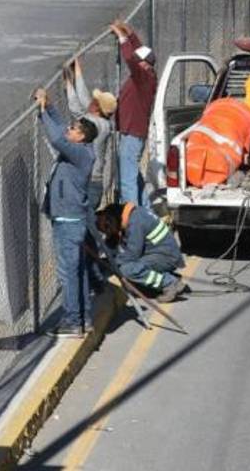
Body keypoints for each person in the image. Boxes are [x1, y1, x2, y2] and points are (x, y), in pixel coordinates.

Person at [35, 87, 99, 338]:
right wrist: (49, 106)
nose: (69, 130)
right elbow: (61, 130)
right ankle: (83, 317)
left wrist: (42, 111)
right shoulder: (77, 148)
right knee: (77, 271)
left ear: (81, 137)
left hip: (68, 222)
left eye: (74, 129)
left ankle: (72, 321)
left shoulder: (79, 153)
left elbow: (57, 138)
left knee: (67, 273)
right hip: (70, 220)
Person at [63, 58, 117, 250]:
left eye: (96, 101)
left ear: (98, 108)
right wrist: (77, 70)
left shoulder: (96, 125)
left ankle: (92, 269)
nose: (92, 100)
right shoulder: (101, 120)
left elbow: (77, 108)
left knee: (83, 231)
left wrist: (67, 82)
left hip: (89, 184)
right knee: (86, 230)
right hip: (92, 182)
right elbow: (85, 100)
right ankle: (92, 266)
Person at [95, 202, 188, 303]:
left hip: (166, 257)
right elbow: (118, 244)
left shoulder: (135, 222)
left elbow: (131, 255)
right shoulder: (133, 215)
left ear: (111, 220)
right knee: (130, 277)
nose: (108, 233)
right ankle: (169, 278)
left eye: (107, 229)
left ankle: (169, 283)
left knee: (127, 270)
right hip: (162, 253)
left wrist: (113, 263)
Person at [110, 21, 157, 209]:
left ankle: (132, 217)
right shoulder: (147, 73)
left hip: (132, 135)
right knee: (133, 176)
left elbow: (131, 58)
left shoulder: (143, 77)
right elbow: (138, 52)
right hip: (133, 133)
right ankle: (147, 212)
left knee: (127, 182)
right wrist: (130, 33)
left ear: (144, 64)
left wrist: (121, 38)